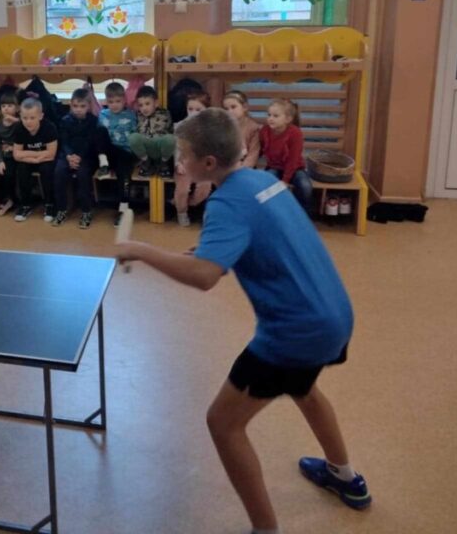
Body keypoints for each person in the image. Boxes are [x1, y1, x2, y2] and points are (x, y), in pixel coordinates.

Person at [116, 108, 370, 534]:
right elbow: (248, 242)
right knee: (303, 387)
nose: (179, 161)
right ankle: (345, 478)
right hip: (333, 313)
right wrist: (201, 254)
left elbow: (204, 277)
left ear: (208, 162)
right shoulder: (260, 181)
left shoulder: (225, 202)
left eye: (183, 154)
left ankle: (265, 529)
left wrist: (141, 250)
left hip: (295, 332)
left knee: (223, 423)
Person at [53, 87, 101, 228]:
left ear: (88, 106)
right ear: (71, 105)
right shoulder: (65, 120)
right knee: (59, 172)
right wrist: (69, 156)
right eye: (75, 106)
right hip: (67, 155)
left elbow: (89, 142)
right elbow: (64, 140)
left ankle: (86, 211)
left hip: (86, 156)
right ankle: (61, 209)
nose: (78, 109)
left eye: (82, 106)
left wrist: (79, 156)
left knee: (82, 174)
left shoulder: (93, 121)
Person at [259, 98, 313, 215]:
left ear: (288, 119)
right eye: (269, 115)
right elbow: (260, 150)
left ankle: (303, 216)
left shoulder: (295, 133)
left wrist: (285, 181)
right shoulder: (264, 130)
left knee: (305, 186)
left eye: (275, 116)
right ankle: (272, 215)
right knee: (266, 185)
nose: (270, 118)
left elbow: (293, 160)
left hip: (295, 168)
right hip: (274, 167)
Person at [12, 97, 58, 222]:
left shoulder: (49, 127)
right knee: (22, 169)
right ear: (20, 116)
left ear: (40, 116)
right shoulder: (19, 128)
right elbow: (16, 154)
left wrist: (27, 154)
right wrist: (35, 158)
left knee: (46, 169)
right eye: (25, 118)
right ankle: (26, 205)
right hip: (31, 160)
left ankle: (49, 204)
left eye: (32, 118)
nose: (28, 122)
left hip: (45, 160)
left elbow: (51, 154)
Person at [173, 91, 214, 226]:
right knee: (182, 189)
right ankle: (181, 212)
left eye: (198, 110)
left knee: (204, 188)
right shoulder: (180, 126)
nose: (193, 113)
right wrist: (178, 163)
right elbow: (177, 148)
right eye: (190, 109)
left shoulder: (210, 128)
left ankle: (189, 204)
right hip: (184, 163)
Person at [98, 81, 136, 225]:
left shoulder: (131, 115)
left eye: (118, 101)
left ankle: (123, 209)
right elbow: (99, 139)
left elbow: (135, 135)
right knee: (99, 131)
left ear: (124, 100)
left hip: (125, 152)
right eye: (111, 102)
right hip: (107, 152)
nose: (114, 105)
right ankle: (104, 165)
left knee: (124, 174)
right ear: (106, 101)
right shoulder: (103, 114)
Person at [127, 85, 176, 178]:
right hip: (146, 147)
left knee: (170, 139)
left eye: (147, 104)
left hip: (160, 145)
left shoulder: (164, 113)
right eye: (141, 105)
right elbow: (136, 132)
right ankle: (146, 162)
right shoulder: (138, 115)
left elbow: (170, 130)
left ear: (156, 103)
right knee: (132, 137)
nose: (144, 108)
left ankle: (163, 163)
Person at [0, 92, 20, 217]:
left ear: (17, 108)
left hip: (15, 155)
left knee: (9, 174)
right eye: (3, 106)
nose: (6, 108)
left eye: (10, 106)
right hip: (1, 155)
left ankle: (11, 200)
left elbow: (27, 134)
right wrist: (0, 161)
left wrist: (17, 121)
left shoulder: (20, 122)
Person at [223, 90, 262, 169]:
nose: (230, 111)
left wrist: (241, 170)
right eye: (226, 109)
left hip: (245, 168)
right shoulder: (224, 127)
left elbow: (253, 155)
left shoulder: (253, 128)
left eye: (233, 107)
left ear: (245, 107)